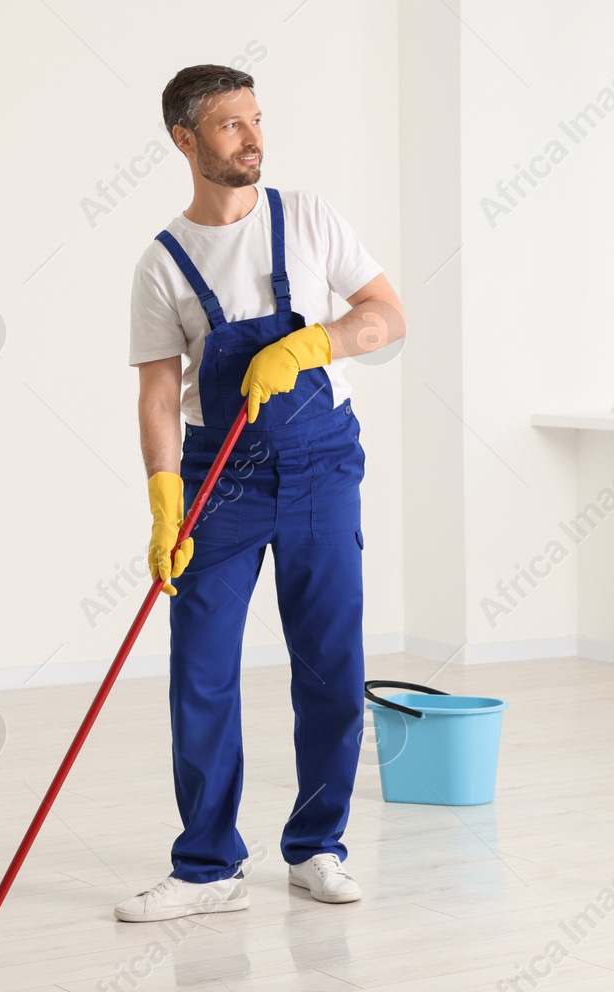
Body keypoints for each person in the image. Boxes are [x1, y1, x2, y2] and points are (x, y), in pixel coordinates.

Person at [116, 64, 404, 922]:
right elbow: (161, 395)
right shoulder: (161, 263)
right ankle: (207, 866)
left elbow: (387, 314)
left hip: (321, 466)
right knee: (200, 669)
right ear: (185, 139)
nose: (252, 138)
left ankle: (319, 845)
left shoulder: (306, 217)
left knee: (329, 662)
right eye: (231, 125)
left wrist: (313, 344)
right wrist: (165, 502)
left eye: (256, 119)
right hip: (221, 479)